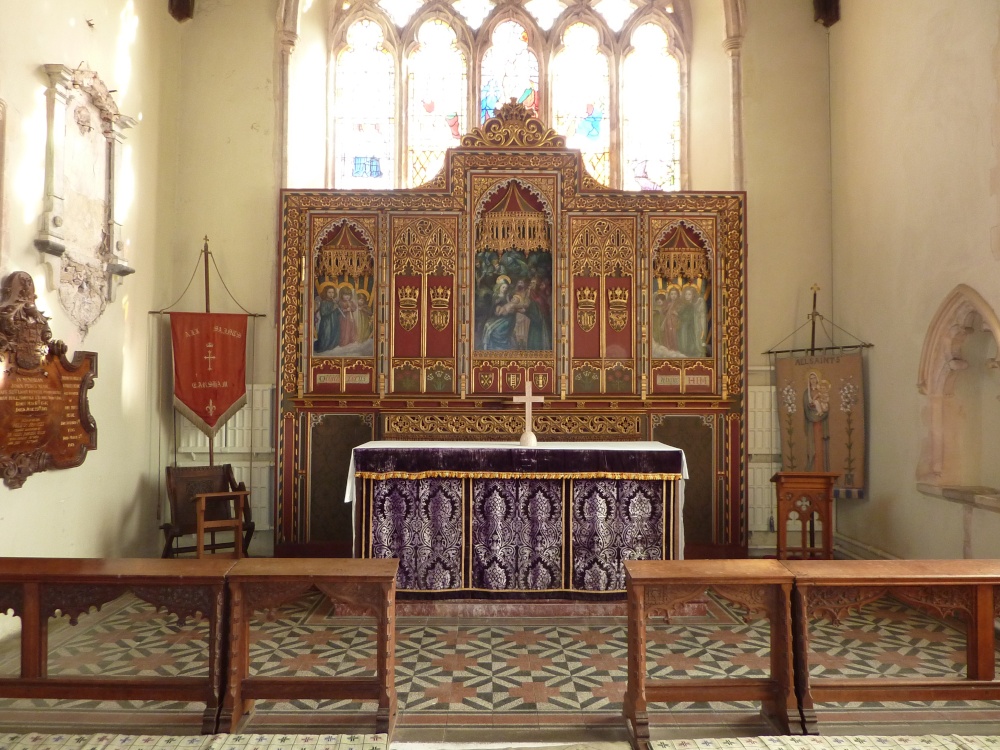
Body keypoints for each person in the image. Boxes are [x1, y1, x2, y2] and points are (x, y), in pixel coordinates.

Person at [803, 369, 831, 471]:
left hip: (821, 423)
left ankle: (822, 469)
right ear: (809, 380)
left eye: (814, 377)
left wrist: (822, 408)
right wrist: (813, 408)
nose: (813, 380)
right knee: (813, 445)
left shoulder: (821, 390)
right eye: (811, 378)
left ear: (817, 379)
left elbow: (827, 405)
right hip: (811, 424)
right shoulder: (807, 393)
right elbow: (806, 407)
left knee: (820, 446)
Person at [313, 286, 340, 353]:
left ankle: (332, 345)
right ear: (326, 293)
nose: (331, 294)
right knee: (326, 334)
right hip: (327, 322)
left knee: (334, 333)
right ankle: (324, 346)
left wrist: (338, 308)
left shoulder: (333, 301)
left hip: (334, 321)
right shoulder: (324, 302)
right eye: (329, 292)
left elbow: (337, 313)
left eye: (332, 292)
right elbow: (323, 313)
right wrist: (333, 308)